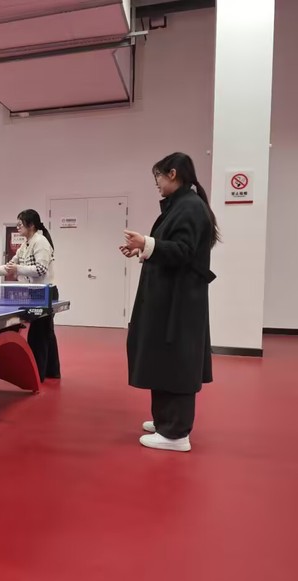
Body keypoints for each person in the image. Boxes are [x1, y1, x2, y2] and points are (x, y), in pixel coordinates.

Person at [120, 152, 218, 452]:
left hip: (179, 301)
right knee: (163, 357)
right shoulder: (181, 206)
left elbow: (184, 251)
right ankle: (165, 420)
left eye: (158, 178)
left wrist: (147, 243)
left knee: (176, 360)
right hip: (169, 298)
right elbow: (172, 248)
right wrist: (144, 249)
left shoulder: (190, 207)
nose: (158, 184)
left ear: (173, 174)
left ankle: (176, 434)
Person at [0, 209, 61, 382]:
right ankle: (52, 370)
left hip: (45, 292)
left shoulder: (40, 242)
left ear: (31, 225)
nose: (18, 226)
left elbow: (41, 270)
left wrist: (17, 269)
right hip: (35, 292)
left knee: (38, 335)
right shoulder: (25, 245)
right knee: (46, 333)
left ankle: (37, 375)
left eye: (21, 224)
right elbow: (10, 266)